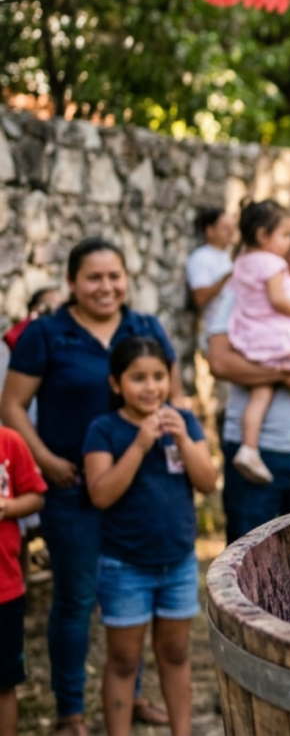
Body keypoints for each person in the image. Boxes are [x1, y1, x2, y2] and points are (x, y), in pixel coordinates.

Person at [0, 237, 176, 736]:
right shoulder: (46, 334)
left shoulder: (145, 328)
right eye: (93, 278)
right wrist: (46, 461)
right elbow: (11, 406)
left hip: (138, 490)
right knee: (76, 598)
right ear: (71, 283)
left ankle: (133, 695)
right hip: (71, 488)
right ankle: (69, 711)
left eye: (114, 276)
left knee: (133, 598)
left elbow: (174, 399)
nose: (106, 287)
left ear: (126, 278)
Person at [81, 337, 216, 736]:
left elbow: (207, 482)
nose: (151, 387)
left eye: (159, 376)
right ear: (115, 383)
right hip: (124, 566)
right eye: (138, 378)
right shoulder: (104, 430)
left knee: (175, 652)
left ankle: (182, 731)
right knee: (124, 659)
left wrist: (184, 441)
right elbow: (101, 493)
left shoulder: (184, 422)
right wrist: (140, 444)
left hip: (177, 561)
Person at [206, 215, 290, 542]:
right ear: (283, 244)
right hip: (256, 456)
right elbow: (219, 361)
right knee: (247, 566)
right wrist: (284, 372)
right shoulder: (246, 294)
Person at [226, 200, 290, 487]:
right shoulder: (274, 263)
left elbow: (272, 290)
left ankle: (248, 448)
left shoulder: (241, 262)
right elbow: (279, 300)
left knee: (261, 392)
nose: (288, 242)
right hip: (277, 335)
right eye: (285, 235)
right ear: (263, 235)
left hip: (250, 335)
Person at [0, 427, 46, 736]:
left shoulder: (9, 442)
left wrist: (7, 507)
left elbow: (35, 496)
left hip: (5, 591)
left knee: (4, 681)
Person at [185, 206, 236, 340]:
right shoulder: (201, 257)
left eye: (232, 227)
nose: (231, 232)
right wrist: (226, 278)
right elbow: (199, 297)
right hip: (217, 330)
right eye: (225, 228)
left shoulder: (232, 254)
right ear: (210, 231)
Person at [3, 287, 64, 352]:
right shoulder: (28, 327)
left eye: (61, 302)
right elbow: (11, 340)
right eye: (53, 300)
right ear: (36, 308)